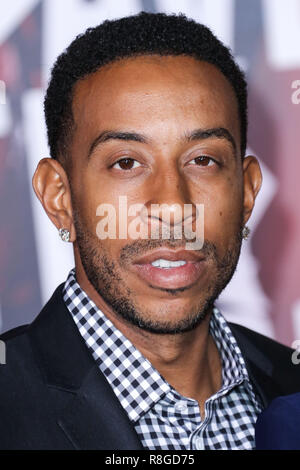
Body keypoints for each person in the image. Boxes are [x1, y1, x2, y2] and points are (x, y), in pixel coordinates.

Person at [0, 11, 299, 450]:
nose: (173, 206)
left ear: (247, 191)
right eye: (126, 163)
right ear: (58, 196)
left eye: (204, 160)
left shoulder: (290, 389)